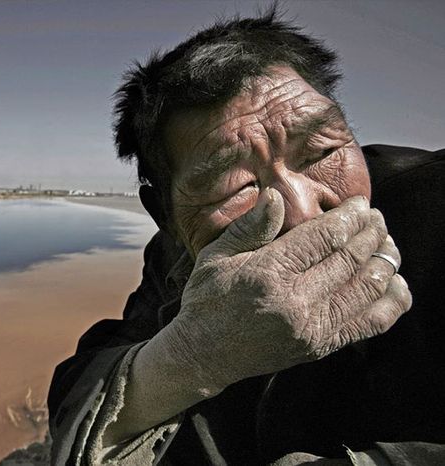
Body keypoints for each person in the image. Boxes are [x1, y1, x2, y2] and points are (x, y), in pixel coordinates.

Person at [48, 9, 445, 465]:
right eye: (237, 187)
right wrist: (196, 353)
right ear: (167, 216)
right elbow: (81, 391)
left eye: (322, 151)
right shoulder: (175, 260)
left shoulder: (434, 198)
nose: (302, 211)